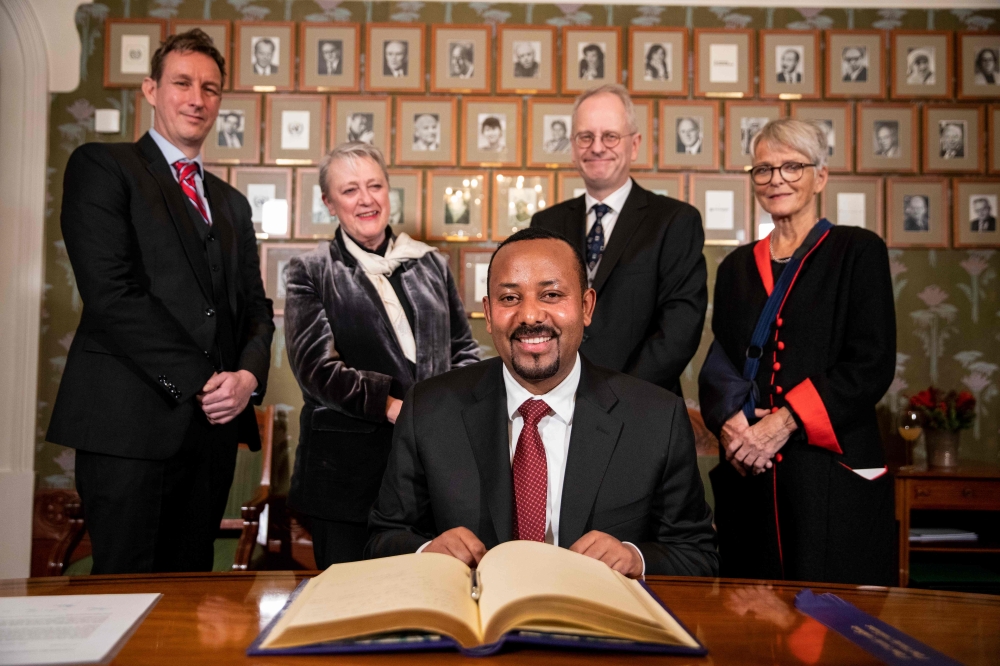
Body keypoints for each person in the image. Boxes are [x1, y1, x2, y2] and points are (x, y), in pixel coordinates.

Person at [366, 227, 719, 577]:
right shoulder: (429, 409)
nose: (530, 316)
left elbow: (697, 555)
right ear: (488, 315)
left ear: (586, 307)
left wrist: (635, 558)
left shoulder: (656, 418)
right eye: (509, 298)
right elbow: (383, 538)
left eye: (551, 295)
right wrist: (427, 551)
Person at [48, 29, 275, 574]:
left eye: (211, 88)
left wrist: (246, 379)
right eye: (182, 83)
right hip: (127, 427)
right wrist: (202, 379)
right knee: (124, 595)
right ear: (151, 90)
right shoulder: (103, 167)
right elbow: (112, 295)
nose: (197, 98)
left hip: (212, 435)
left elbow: (256, 311)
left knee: (190, 598)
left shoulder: (233, 204)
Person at [698, 117, 896, 586]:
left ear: (819, 176)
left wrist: (782, 422)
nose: (776, 180)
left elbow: (871, 364)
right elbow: (721, 364)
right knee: (751, 623)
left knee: (835, 626)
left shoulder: (858, 251)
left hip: (829, 476)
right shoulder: (735, 267)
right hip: (754, 474)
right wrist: (733, 428)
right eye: (764, 170)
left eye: (791, 167)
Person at [284, 142, 479, 567]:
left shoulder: (431, 263)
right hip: (346, 475)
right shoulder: (311, 270)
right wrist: (393, 407)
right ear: (329, 203)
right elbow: (315, 368)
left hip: (430, 468)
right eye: (350, 190)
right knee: (350, 604)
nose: (366, 199)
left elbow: (464, 349)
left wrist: (446, 408)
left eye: (375, 185)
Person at [531, 85, 707, 396]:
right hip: (556, 401)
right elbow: (535, 313)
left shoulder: (675, 221)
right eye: (585, 137)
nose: (597, 147)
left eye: (610, 136)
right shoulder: (545, 224)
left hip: (642, 403)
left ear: (634, 144)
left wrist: (618, 395)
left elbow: (679, 328)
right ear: (573, 147)